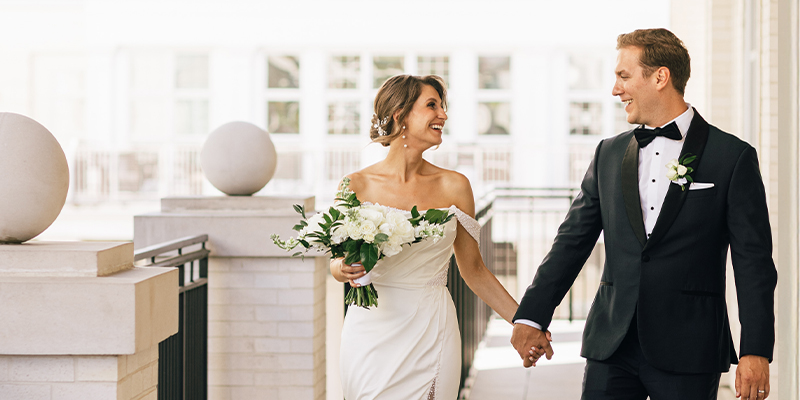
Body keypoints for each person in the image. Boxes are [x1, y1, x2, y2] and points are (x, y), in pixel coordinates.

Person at [510, 28, 777, 400]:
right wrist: (532, 315)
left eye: (624, 76)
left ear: (660, 77)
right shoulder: (608, 154)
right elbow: (571, 242)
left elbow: (753, 262)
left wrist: (755, 349)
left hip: (689, 346)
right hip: (611, 344)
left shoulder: (732, 157)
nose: (615, 90)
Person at [331, 74, 526, 399]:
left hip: (432, 327)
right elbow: (336, 263)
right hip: (370, 332)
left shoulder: (455, 186)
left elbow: (474, 270)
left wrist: (525, 322)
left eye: (442, 106)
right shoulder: (355, 185)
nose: (443, 115)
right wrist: (343, 269)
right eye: (432, 105)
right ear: (400, 115)